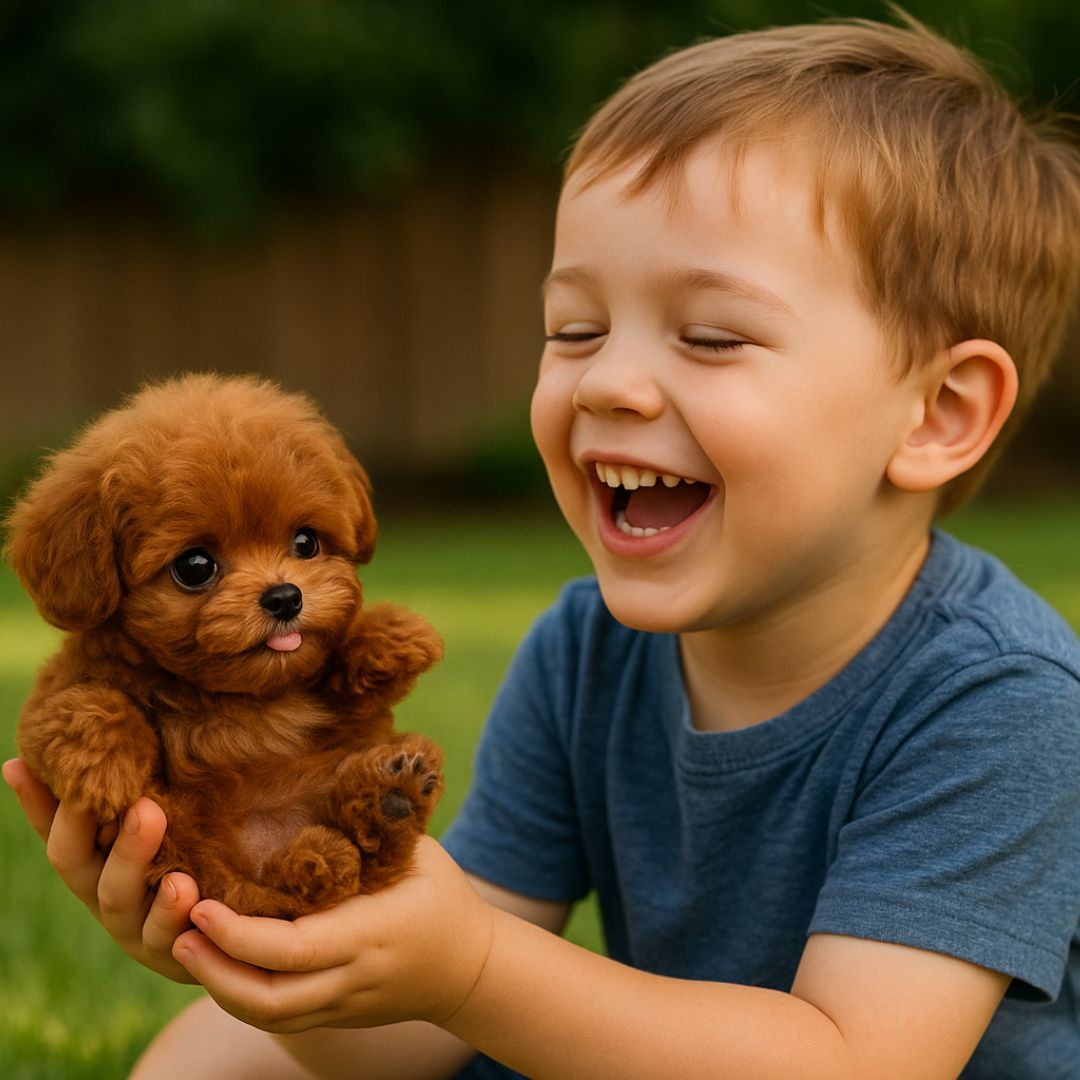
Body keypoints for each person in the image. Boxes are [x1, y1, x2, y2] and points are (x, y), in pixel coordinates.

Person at [6, 12, 1080, 1079]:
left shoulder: (1000, 700)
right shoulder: (587, 651)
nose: (608, 380)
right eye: (574, 328)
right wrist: (260, 958)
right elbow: (417, 1020)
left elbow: (853, 1066)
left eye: (710, 335)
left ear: (939, 413)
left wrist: (472, 968)